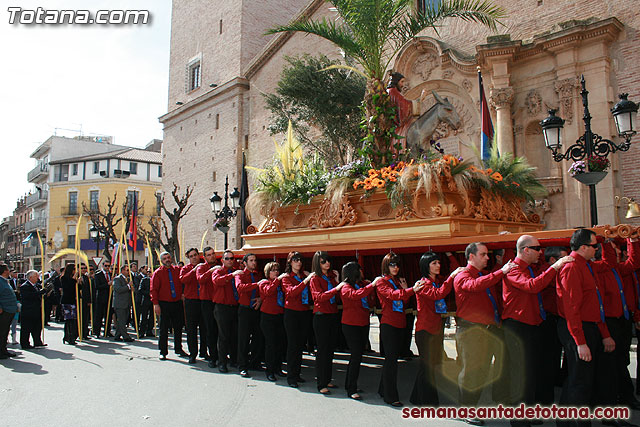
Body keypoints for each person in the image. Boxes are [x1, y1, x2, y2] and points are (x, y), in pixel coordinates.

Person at [501, 236, 573, 426]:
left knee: (531, 372)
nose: (540, 252)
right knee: (521, 374)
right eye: (537, 249)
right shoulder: (513, 269)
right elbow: (532, 286)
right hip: (517, 327)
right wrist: (555, 267)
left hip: (531, 326)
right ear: (525, 250)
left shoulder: (529, 269)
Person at [556, 229, 617, 427]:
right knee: (579, 380)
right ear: (583, 247)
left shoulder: (587, 265)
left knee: (581, 378)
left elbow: (610, 265)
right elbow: (572, 308)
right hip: (577, 328)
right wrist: (580, 342)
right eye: (594, 246)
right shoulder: (572, 268)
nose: (596, 249)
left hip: (589, 327)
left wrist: (605, 335)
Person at [454, 243, 516, 426]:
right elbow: (475, 286)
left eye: (488, 254)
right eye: (483, 254)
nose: (487, 258)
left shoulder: (482, 274)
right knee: (471, 371)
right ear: (471, 257)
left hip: (486, 330)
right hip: (470, 331)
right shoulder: (462, 276)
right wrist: (501, 272)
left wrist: (508, 244)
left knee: (482, 370)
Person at [410, 252, 464, 406]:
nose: (438, 266)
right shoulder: (423, 284)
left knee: (429, 367)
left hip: (435, 329)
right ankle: (428, 402)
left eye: (439, 263)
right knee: (427, 368)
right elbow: (438, 294)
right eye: (434, 263)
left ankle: (417, 398)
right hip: (425, 330)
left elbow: (455, 270)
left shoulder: (437, 281)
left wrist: (451, 257)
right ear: (426, 266)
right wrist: (452, 277)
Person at [376, 252, 424, 407]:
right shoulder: (382, 282)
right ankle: (390, 396)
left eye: (397, 265)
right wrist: (410, 289)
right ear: (386, 266)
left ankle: (383, 389)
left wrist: (405, 289)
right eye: (392, 264)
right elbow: (393, 295)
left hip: (399, 323)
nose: (395, 267)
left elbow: (403, 299)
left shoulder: (397, 281)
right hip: (389, 324)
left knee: (392, 359)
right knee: (391, 361)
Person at [339, 261, 378, 400]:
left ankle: (351, 383)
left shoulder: (360, 285)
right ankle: (351, 388)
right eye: (359, 270)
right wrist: (371, 285)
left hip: (363, 322)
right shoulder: (346, 287)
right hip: (351, 324)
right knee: (355, 356)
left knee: (359, 355)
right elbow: (356, 295)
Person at [309, 251, 344, 395]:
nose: (327, 264)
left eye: (328, 261)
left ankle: (327, 378)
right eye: (323, 261)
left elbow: (338, 294)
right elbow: (319, 297)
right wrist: (336, 288)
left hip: (332, 314)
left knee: (330, 350)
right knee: (322, 350)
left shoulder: (330, 277)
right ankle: (321, 383)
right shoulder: (315, 278)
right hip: (321, 316)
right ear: (318, 263)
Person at [281, 251, 313, 388]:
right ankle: (291, 377)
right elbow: (291, 292)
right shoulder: (286, 277)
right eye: (295, 260)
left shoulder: (303, 275)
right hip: (292, 313)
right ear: (290, 262)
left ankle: (297, 374)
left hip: (304, 311)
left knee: (300, 345)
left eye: (300, 260)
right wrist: (306, 281)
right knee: (293, 345)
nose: (298, 262)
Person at [211, 250, 243, 373]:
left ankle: (234, 360)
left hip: (234, 307)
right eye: (227, 258)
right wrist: (232, 275)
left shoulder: (236, 270)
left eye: (232, 258)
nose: (230, 260)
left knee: (235, 335)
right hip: (222, 307)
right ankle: (222, 362)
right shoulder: (218, 271)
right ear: (222, 260)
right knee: (223, 336)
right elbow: (217, 281)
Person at [151, 252, 186, 360]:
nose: (167, 260)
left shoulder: (177, 270)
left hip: (176, 303)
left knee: (178, 327)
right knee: (164, 329)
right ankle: (163, 351)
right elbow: (154, 290)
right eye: (165, 258)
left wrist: (183, 294)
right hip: (164, 303)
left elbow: (183, 283)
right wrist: (156, 304)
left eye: (168, 257)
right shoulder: (157, 273)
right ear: (161, 260)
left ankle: (178, 348)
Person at [235, 253, 264, 377]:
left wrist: (261, 299)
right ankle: (242, 365)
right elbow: (240, 287)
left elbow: (264, 289)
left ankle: (255, 363)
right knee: (244, 338)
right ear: (245, 263)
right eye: (251, 260)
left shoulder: (258, 275)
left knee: (258, 337)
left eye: (255, 260)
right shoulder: (240, 275)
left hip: (256, 309)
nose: (254, 262)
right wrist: (257, 284)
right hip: (245, 310)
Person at [258, 262, 286, 382]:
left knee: (280, 343)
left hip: (279, 315)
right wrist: (277, 280)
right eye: (273, 270)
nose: (276, 272)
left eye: (277, 270)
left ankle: (277, 368)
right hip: (268, 316)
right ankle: (269, 370)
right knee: (271, 344)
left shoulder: (280, 284)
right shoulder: (264, 282)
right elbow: (268, 291)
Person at [386, 71, 425, 152]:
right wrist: (419, 100)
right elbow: (403, 105)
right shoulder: (392, 91)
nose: (403, 85)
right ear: (396, 81)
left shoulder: (392, 91)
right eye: (401, 82)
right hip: (396, 125)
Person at [180, 248, 206, 364]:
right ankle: (193, 353)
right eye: (191, 256)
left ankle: (204, 352)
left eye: (195, 255)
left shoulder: (204, 266)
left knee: (205, 328)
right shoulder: (185, 269)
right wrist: (194, 270)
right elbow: (183, 279)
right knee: (191, 329)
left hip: (203, 300)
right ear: (188, 258)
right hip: (191, 301)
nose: (194, 257)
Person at [196, 247, 220, 369]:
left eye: (213, 254)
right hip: (206, 302)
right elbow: (200, 279)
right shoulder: (201, 267)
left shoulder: (219, 266)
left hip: (218, 301)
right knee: (210, 330)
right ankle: (212, 357)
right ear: (205, 257)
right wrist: (211, 271)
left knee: (220, 330)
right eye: (209, 255)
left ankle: (221, 355)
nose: (212, 256)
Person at [19, 270, 48, 349]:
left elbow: (39, 296)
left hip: (37, 310)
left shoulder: (37, 286)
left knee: (37, 327)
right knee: (26, 328)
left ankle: (37, 341)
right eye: (36, 276)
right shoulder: (25, 286)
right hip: (28, 311)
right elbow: (28, 296)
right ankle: (25, 343)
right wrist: (39, 293)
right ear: (30, 277)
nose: (37, 278)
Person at [112, 264, 135, 342]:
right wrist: (128, 286)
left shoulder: (128, 279)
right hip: (120, 303)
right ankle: (126, 337)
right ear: (122, 271)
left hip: (127, 303)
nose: (128, 272)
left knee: (123, 321)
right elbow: (118, 289)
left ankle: (117, 335)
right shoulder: (117, 279)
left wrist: (131, 288)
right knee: (121, 320)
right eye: (127, 270)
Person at [0, 264, 18, 359]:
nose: (9, 271)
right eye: (8, 269)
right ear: (4, 271)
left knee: (5, 331)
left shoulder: (5, 281)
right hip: (5, 310)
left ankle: (3, 349)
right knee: (2, 331)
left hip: (10, 310)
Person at [60, 264, 80, 345]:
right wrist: (74, 279)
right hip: (67, 301)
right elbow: (68, 288)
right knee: (69, 319)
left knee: (72, 320)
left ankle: (70, 336)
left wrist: (79, 283)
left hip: (73, 300)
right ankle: (69, 337)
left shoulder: (72, 279)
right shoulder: (64, 278)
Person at [93, 261, 112, 337]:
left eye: (108, 266)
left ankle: (107, 331)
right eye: (106, 266)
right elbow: (97, 286)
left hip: (108, 298)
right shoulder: (98, 275)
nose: (107, 267)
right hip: (100, 298)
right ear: (103, 266)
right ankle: (97, 332)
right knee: (99, 316)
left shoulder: (111, 274)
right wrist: (107, 284)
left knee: (108, 315)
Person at [138, 266, 154, 338]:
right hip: (146, 300)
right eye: (148, 272)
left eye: (150, 272)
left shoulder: (155, 279)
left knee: (152, 317)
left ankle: (149, 331)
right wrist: (149, 293)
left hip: (153, 301)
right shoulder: (144, 280)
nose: (149, 273)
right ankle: (142, 331)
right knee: (144, 316)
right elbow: (140, 290)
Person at [80, 263, 93, 340]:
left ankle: (85, 333)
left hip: (85, 301)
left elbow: (88, 290)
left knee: (86, 318)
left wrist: (89, 300)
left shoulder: (86, 277)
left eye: (85, 268)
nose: (84, 270)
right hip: (79, 300)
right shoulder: (77, 277)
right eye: (82, 268)